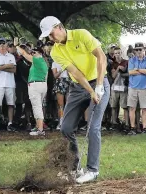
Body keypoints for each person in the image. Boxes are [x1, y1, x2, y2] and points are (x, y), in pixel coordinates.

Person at [39, 16, 110, 183]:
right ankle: (75, 168)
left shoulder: (81, 34)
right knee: (66, 127)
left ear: (59, 27)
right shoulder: (56, 51)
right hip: (78, 88)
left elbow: (101, 57)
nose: (50, 38)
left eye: (51, 34)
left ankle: (93, 170)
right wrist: (90, 90)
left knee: (93, 128)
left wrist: (98, 87)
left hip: (99, 81)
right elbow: (75, 72)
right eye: (48, 36)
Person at [16, 45, 48, 136]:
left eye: (34, 52)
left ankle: (40, 129)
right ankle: (38, 127)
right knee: (38, 106)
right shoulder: (44, 62)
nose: (32, 54)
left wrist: (16, 46)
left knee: (37, 107)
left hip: (35, 85)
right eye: (32, 52)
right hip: (42, 85)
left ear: (40, 53)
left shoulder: (38, 60)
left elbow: (23, 53)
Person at [0, 37, 17, 132]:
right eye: (0, 44)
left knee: (11, 104)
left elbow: (13, 70)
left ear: (6, 45)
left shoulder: (11, 56)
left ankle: (10, 123)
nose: (2, 45)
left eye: (3, 43)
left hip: (10, 84)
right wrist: (5, 66)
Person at [127, 42, 146, 135]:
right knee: (132, 108)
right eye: (137, 50)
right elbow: (130, 72)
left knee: (144, 108)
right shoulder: (131, 60)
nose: (138, 51)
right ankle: (132, 128)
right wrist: (143, 71)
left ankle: (145, 128)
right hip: (132, 87)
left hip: (144, 88)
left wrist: (137, 69)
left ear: (144, 50)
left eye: (140, 49)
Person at [110, 47, 129, 130]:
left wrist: (123, 73)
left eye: (119, 53)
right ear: (114, 54)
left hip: (124, 87)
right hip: (114, 88)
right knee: (114, 106)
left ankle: (127, 123)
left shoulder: (126, 62)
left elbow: (130, 74)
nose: (117, 55)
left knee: (125, 106)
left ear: (122, 53)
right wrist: (118, 68)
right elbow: (113, 76)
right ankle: (114, 122)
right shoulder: (112, 63)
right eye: (116, 53)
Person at [52, 60, 70, 130]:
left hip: (68, 81)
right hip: (59, 81)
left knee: (69, 104)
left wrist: (67, 69)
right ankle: (61, 122)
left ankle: (68, 123)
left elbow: (71, 74)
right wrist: (61, 70)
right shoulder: (55, 62)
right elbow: (55, 76)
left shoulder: (68, 61)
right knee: (60, 105)